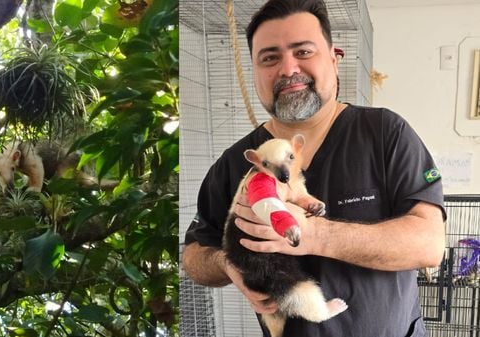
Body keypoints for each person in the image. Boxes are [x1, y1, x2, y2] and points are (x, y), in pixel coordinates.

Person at [182, 0, 446, 336]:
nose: (288, 68)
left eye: (303, 52)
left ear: (334, 59)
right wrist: (227, 263)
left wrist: (316, 236)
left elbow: (428, 244)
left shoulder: (384, 133)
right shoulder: (235, 163)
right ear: (254, 71)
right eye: (270, 57)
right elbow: (194, 255)